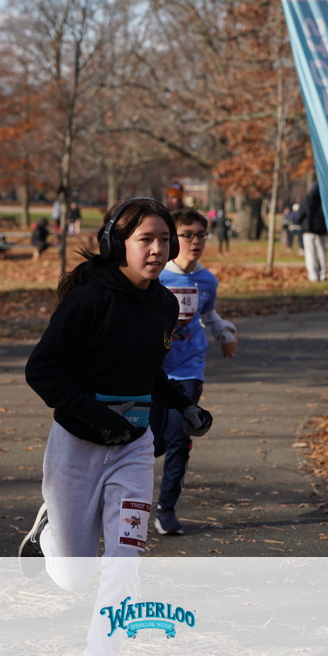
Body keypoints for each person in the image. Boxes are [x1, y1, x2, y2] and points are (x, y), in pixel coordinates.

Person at [20, 196, 213, 579]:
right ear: (116, 243)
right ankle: (48, 533)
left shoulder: (165, 304)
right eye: (146, 239)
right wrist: (96, 415)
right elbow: (41, 371)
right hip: (78, 445)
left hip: (134, 447)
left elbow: (149, 369)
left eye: (164, 239)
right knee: (74, 578)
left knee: (126, 557)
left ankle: (112, 619)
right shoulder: (88, 301)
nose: (157, 249)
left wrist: (183, 405)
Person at [150, 207, 237, 536]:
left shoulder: (207, 280)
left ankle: (166, 510)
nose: (195, 241)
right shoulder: (157, 276)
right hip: (154, 369)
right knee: (151, 443)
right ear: (173, 239)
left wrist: (224, 334)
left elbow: (209, 315)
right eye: (187, 235)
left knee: (179, 438)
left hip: (189, 368)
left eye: (201, 235)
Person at [297, 182, 328, 281]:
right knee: (321, 253)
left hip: (308, 231)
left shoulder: (307, 200)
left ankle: (313, 276)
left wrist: (302, 223)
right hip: (320, 231)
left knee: (310, 254)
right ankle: (323, 274)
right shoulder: (323, 201)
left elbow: (299, 216)